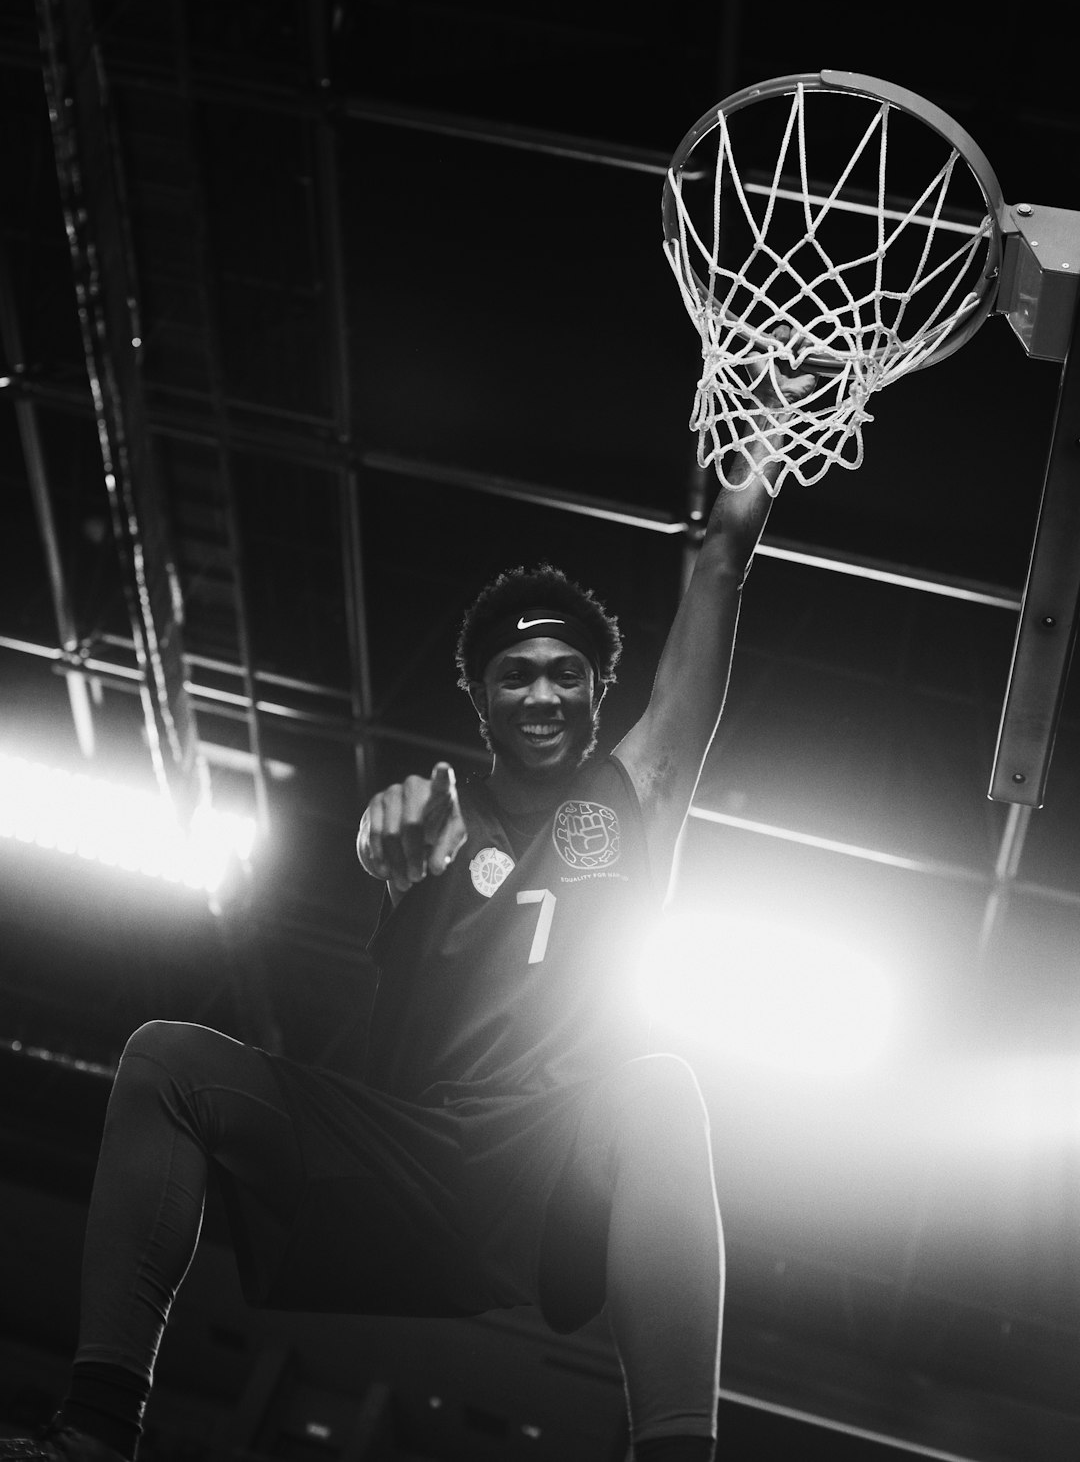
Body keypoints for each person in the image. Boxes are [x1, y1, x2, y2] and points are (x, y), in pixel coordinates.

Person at [0, 351, 805, 1462]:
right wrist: (392, 858)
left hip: (553, 1154)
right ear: (478, 698)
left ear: (595, 697)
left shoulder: (636, 798)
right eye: (516, 676)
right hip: (408, 1150)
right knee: (163, 1062)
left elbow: (719, 567)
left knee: (662, 1091)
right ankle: (94, 1434)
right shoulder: (440, 813)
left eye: (567, 673)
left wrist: (761, 456)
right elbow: (394, 840)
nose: (543, 692)